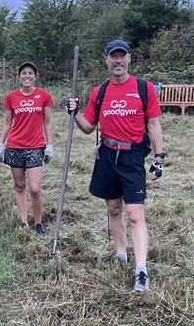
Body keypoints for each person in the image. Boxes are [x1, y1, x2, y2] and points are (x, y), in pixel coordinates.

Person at [67, 39, 165, 293]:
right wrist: (74, 112)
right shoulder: (100, 92)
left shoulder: (143, 89)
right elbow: (88, 127)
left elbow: (154, 125)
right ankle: (121, 255)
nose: (118, 61)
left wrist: (159, 157)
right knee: (113, 208)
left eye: (122, 56)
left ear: (129, 59)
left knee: (135, 213)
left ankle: (141, 270)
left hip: (132, 157)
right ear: (107, 60)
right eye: (113, 56)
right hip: (107, 155)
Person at [0, 62, 54, 238]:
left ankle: (38, 224)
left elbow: (48, 122)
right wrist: (1, 143)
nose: (27, 76)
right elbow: (7, 122)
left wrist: (49, 145)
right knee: (19, 186)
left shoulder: (44, 96)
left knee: (35, 189)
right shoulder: (12, 97)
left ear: (35, 76)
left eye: (30, 73)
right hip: (15, 146)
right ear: (19, 76)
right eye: (24, 73)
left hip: (36, 147)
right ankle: (23, 222)